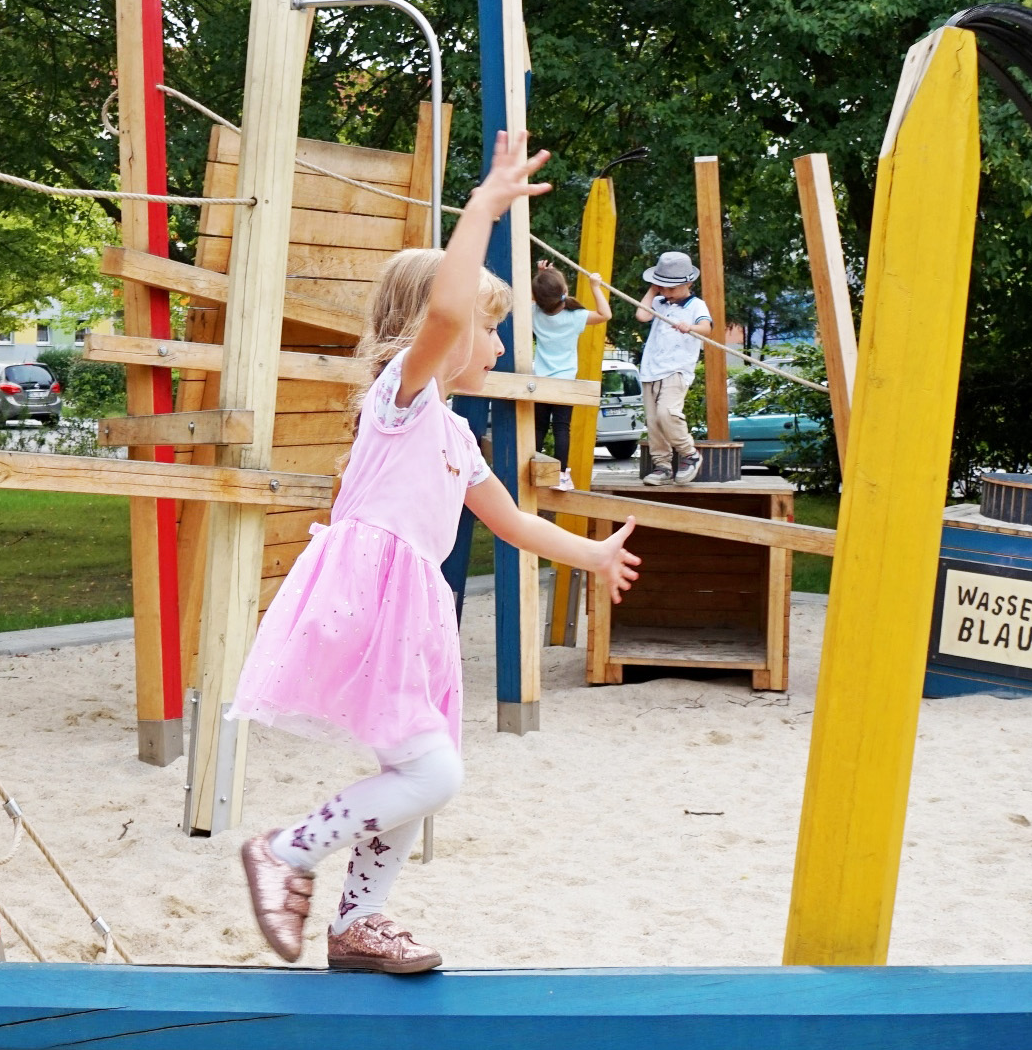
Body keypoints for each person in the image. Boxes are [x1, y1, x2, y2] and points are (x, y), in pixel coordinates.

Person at [235, 132, 643, 974]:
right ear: (438, 329)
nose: (495, 345)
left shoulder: (454, 434)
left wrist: (591, 555)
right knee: (432, 774)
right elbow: (451, 312)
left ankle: (358, 924)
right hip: (371, 599)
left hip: (408, 614)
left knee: (416, 775)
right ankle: (286, 850)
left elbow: (515, 524)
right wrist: (483, 210)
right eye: (493, 328)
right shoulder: (403, 399)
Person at [634, 251, 716, 484]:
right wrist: (653, 288)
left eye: (671, 288)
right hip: (651, 369)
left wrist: (689, 327)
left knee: (666, 413)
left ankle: (689, 454)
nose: (666, 292)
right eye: (662, 287)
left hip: (676, 370)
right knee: (653, 420)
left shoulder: (695, 305)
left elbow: (706, 328)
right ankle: (662, 465)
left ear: (688, 283)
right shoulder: (659, 302)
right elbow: (642, 315)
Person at [527, 258, 609, 464]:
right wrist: (595, 287)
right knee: (562, 428)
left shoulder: (534, 313)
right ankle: (562, 474)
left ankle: (533, 468)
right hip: (565, 380)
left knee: (539, 427)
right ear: (565, 289)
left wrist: (541, 276)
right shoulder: (576, 316)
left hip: (541, 379)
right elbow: (604, 314)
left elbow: (536, 298)